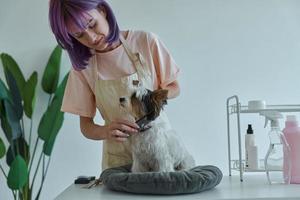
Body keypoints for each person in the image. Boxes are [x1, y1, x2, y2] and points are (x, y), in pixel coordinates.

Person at [48, 0, 180, 171]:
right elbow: (86, 127)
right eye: (79, 35)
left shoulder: (145, 41)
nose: (91, 38)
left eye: (92, 24)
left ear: (102, 10)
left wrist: (153, 98)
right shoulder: (83, 68)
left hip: (160, 151)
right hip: (118, 163)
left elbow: (175, 87)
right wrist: (105, 131)